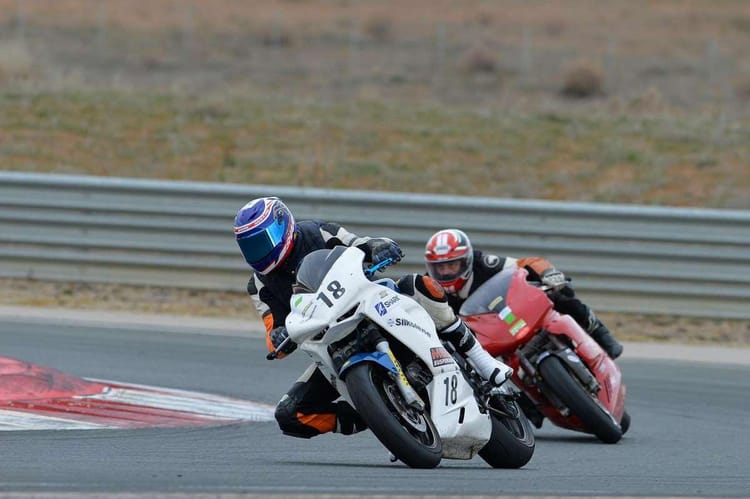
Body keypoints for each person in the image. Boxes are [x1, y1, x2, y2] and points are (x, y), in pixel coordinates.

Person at [234, 197, 512, 440]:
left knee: (421, 286)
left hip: (371, 301)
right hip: (330, 342)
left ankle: (481, 360)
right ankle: (377, 416)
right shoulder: (259, 285)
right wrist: (279, 337)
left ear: (283, 227)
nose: (258, 252)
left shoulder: (316, 232)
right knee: (290, 414)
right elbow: (273, 330)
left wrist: (377, 246)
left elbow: (357, 243)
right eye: (250, 246)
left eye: (262, 241)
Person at [424, 228, 623, 360]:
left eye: (452, 265)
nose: (446, 272)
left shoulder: (483, 263)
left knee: (561, 295)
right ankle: (528, 405)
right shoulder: (429, 287)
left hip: (506, 310)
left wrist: (548, 273)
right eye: (440, 268)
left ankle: (601, 333)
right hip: (482, 335)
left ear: (466, 260)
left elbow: (524, 264)